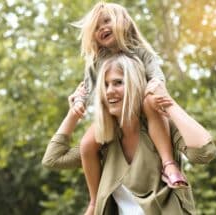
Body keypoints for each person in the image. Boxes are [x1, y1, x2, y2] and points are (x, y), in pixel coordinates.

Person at [42, 54, 216, 214]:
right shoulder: (106, 141)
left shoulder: (160, 128)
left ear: (135, 84)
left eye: (118, 82)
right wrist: (73, 114)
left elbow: (204, 153)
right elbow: (53, 159)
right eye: (105, 85)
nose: (110, 90)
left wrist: (169, 103)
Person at [71, 2, 187, 213]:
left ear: (123, 22)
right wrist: (78, 100)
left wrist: (154, 86)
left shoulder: (140, 52)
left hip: (142, 110)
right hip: (117, 116)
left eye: (106, 21)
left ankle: (169, 164)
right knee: (87, 144)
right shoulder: (97, 61)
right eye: (96, 27)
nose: (102, 28)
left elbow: (156, 75)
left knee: (149, 101)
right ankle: (95, 201)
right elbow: (86, 89)